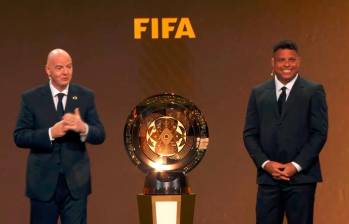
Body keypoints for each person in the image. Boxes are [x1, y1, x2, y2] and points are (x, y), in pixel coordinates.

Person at [14, 49, 105, 224]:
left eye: (69, 67)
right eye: (59, 67)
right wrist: (50, 133)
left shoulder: (85, 96)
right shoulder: (31, 98)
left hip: (76, 185)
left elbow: (100, 134)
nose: (65, 72)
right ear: (48, 70)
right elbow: (20, 136)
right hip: (43, 185)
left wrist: (83, 128)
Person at [243, 40, 328, 224]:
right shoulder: (258, 93)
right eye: (282, 60)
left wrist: (295, 166)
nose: (287, 64)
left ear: (299, 62)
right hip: (268, 179)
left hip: (302, 179)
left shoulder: (313, 91)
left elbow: (319, 133)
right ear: (273, 63)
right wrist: (266, 164)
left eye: (291, 59)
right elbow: (249, 134)